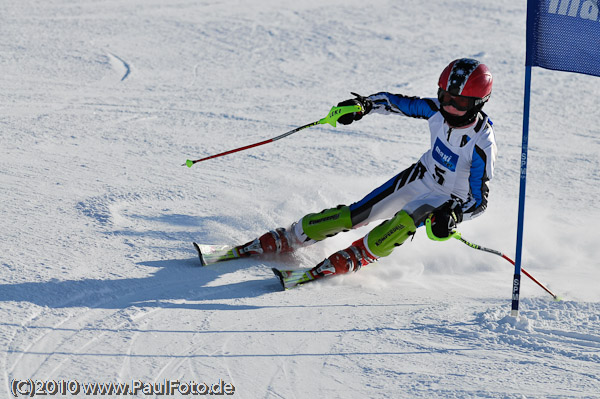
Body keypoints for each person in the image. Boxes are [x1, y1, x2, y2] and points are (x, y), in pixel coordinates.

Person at [232, 58, 496, 283]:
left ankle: (358, 254)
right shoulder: (435, 110)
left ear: (478, 102)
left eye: (459, 103)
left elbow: (479, 201)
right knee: (356, 214)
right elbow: (394, 102)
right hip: (422, 176)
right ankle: (292, 236)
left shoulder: (481, 142)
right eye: (445, 97)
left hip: (446, 199)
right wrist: (363, 106)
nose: (449, 107)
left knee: (403, 222)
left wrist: (454, 216)